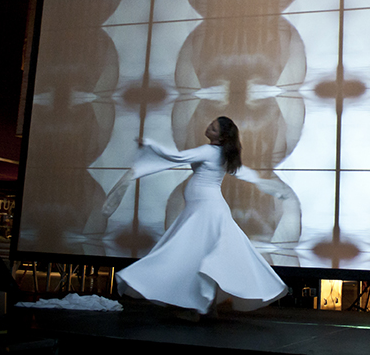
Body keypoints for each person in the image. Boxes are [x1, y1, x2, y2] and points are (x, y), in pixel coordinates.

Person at [102, 116, 288, 319]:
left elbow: (177, 157)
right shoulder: (222, 153)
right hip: (206, 207)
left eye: (214, 128)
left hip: (205, 209)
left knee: (195, 255)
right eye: (212, 124)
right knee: (206, 256)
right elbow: (244, 173)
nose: (209, 127)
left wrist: (150, 145)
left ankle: (198, 308)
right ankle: (206, 307)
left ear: (222, 136)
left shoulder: (209, 151)